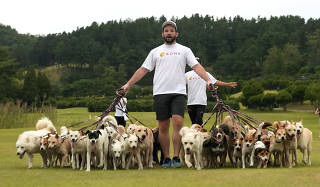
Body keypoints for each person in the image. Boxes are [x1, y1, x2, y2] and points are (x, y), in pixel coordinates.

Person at [121, 20, 213, 168]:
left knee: (178, 123)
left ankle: (176, 157)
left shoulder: (185, 50)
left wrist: (208, 80)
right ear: (162, 34)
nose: (169, 33)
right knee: (163, 127)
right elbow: (143, 70)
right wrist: (128, 85)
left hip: (179, 92)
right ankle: (166, 158)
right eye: (166, 31)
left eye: (171, 30)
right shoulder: (155, 51)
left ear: (176, 33)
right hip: (160, 92)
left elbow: (196, 66)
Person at [185, 57, 237, 125]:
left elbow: (215, 82)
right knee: (193, 123)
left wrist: (227, 84)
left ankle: (199, 134)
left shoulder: (205, 74)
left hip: (201, 101)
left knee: (198, 121)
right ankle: (196, 135)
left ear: (200, 64)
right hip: (190, 102)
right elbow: (179, 83)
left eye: (197, 63)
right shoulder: (187, 74)